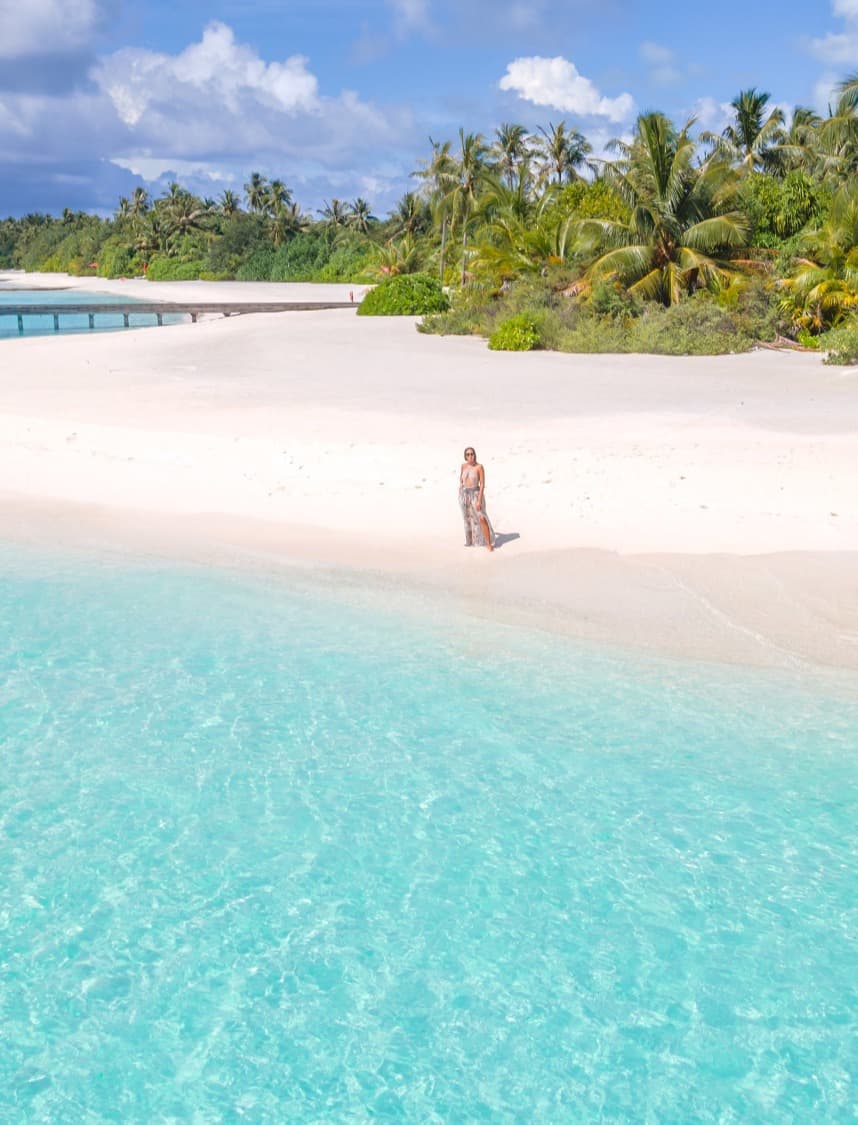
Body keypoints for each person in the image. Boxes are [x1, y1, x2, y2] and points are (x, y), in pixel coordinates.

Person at [459, 446, 495, 551]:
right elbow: (460, 479)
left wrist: (479, 499)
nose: (470, 456)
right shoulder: (463, 466)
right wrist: (460, 487)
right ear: (465, 456)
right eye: (468, 454)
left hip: (475, 493)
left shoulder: (479, 467)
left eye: (472, 454)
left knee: (481, 517)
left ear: (475, 455)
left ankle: (488, 543)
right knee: (468, 518)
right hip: (465, 495)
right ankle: (470, 541)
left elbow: (482, 484)